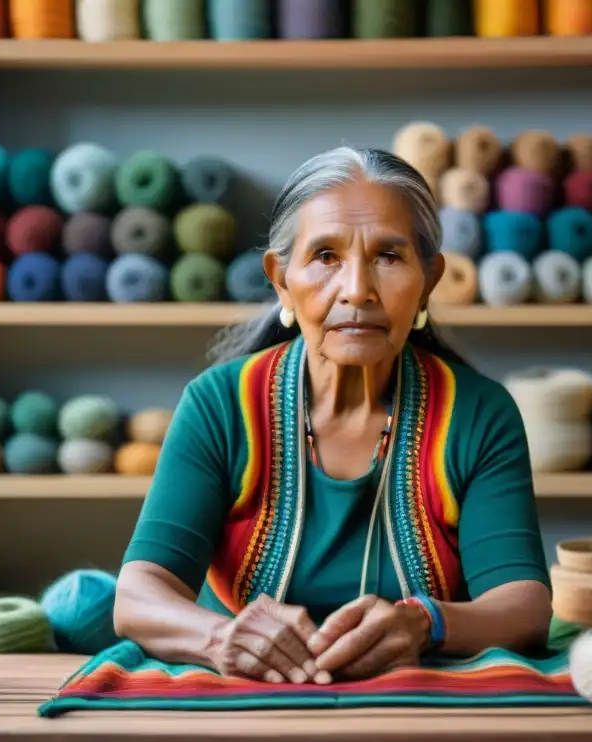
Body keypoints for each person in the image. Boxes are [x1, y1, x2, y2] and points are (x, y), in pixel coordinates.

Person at [114, 147, 551, 687]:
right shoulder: (221, 404)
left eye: (389, 257)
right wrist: (220, 638)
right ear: (281, 280)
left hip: (417, 718)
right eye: (325, 256)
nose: (356, 290)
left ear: (429, 281)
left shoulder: (478, 414)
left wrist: (425, 624)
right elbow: (139, 594)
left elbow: (525, 607)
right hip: (237, 708)